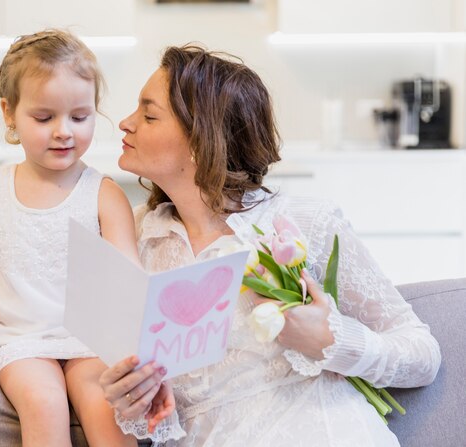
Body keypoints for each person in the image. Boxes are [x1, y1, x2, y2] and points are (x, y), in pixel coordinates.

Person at [98, 45, 442, 446]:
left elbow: (423, 354)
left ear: (200, 139)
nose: (125, 123)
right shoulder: (133, 236)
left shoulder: (303, 223)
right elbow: (156, 405)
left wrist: (330, 339)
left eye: (149, 114)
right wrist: (133, 402)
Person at [0, 29, 139, 447]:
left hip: (89, 340)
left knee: (105, 405)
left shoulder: (105, 193)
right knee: (45, 402)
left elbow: (129, 279)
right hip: (21, 341)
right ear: (9, 112)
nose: (64, 131)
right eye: (44, 118)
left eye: (80, 117)